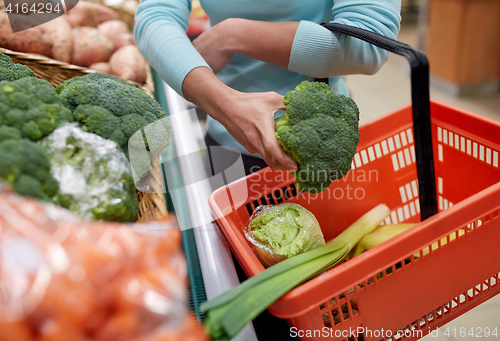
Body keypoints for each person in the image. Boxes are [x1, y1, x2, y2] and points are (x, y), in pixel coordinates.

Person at [134, 0, 401, 175]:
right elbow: (155, 15)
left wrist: (232, 35)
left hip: (317, 141)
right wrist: (224, 104)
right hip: (224, 134)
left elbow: (369, 42)